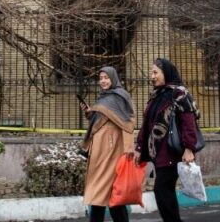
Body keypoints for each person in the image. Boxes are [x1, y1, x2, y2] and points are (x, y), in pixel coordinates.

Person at [135, 58, 200, 222]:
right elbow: (147, 124)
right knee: (165, 191)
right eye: (152, 72)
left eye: (156, 72)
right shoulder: (156, 95)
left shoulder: (179, 93)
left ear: (166, 73)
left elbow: (188, 122)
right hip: (159, 153)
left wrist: (189, 148)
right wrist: (139, 147)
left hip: (172, 151)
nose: (152, 76)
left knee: (161, 190)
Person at [81, 66, 136, 222]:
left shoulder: (121, 96)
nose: (103, 81)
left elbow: (128, 122)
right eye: (101, 78)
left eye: (106, 77)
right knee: (107, 193)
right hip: (99, 151)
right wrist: (89, 113)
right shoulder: (103, 98)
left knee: (104, 191)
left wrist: (128, 150)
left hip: (112, 151)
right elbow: (98, 121)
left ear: (113, 78)